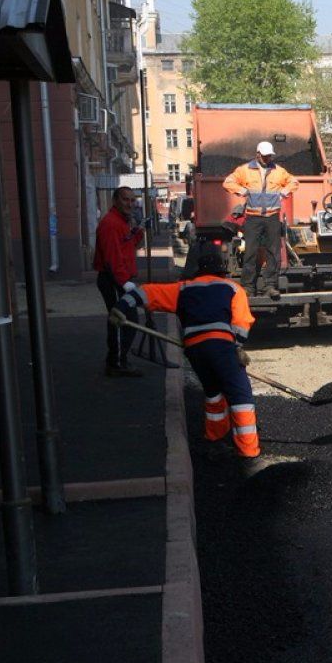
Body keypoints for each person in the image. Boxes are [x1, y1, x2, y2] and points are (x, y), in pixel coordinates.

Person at [110, 243, 277, 476]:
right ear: (222, 271)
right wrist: (237, 348)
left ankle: (215, 441)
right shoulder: (232, 288)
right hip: (221, 346)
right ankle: (249, 455)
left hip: (195, 350)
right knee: (240, 396)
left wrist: (120, 307)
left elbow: (145, 292)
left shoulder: (183, 288)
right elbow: (241, 322)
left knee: (213, 393)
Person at [223, 140, 299, 299]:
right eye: (264, 156)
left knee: (273, 253)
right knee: (250, 252)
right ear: (257, 154)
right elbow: (228, 182)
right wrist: (241, 190)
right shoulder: (244, 170)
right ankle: (248, 287)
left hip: (272, 217)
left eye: (269, 156)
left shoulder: (279, 171)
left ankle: (270, 286)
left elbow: (294, 181)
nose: (267, 158)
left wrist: (285, 191)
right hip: (253, 217)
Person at [93, 186, 145, 377]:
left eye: (132, 200)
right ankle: (116, 363)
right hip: (114, 280)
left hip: (120, 278)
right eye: (125, 199)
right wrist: (123, 282)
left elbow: (127, 247)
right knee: (123, 321)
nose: (130, 204)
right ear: (115, 200)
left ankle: (117, 360)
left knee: (126, 320)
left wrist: (137, 232)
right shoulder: (111, 224)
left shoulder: (121, 222)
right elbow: (112, 257)